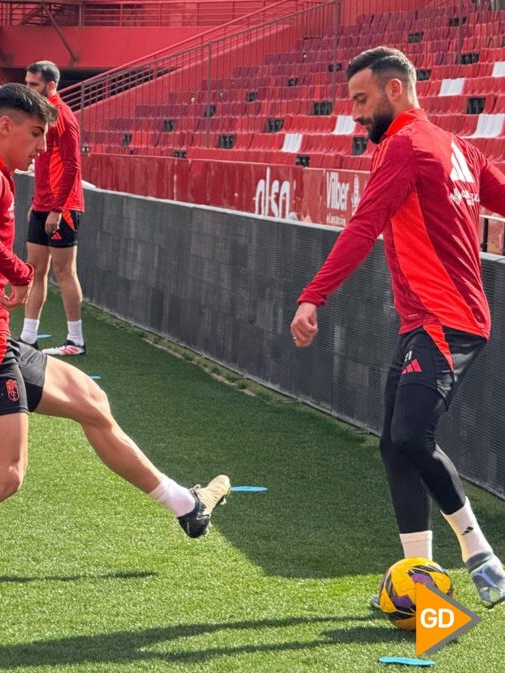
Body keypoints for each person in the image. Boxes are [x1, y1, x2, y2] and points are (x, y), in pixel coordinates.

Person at [0, 83, 230, 592]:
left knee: (92, 401)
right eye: (36, 134)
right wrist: (18, 271)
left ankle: (186, 506)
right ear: (5, 127)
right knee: (5, 474)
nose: (41, 146)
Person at [290, 47, 505, 609]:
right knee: (393, 445)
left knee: (411, 438)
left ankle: (479, 553)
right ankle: (420, 575)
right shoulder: (459, 147)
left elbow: (363, 227)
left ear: (395, 90)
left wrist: (313, 295)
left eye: (361, 100)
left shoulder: (406, 145)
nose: (355, 114)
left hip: (446, 320)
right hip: (431, 321)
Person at [21, 61, 86, 357]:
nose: (27, 89)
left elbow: (72, 165)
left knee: (63, 271)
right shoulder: (43, 114)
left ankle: (76, 340)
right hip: (42, 205)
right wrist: (38, 204)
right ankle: (27, 336)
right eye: (26, 83)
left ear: (49, 86)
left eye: (33, 85)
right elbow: (44, 165)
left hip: (63, 208)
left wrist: (58, 208)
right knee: (35, 270)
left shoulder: (63, 116)